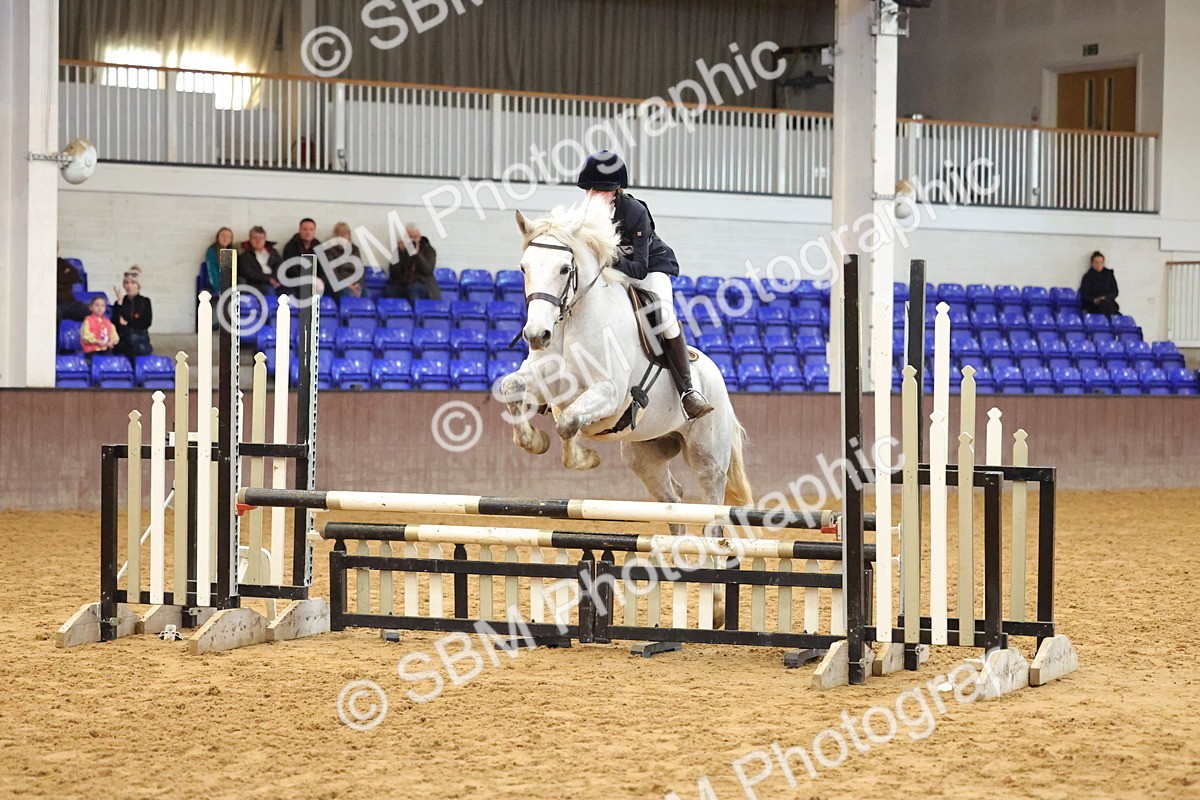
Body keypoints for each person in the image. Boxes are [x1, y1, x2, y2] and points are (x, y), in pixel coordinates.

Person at [577, 150, 713, 420]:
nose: (592, 195)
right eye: (589, 189)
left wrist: (607, 256)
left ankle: (688, 391)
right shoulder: (583, 215)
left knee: (662, 315)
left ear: (616, 190)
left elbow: (639, 270)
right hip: (616, 270)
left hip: (651, 268)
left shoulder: (635, 212)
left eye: (600, 190)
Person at [385, 224, 440, 302]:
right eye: (410, 238)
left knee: (413, 288)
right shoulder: (401, 250)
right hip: (404, 283)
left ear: (419, 237)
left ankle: (416, 313)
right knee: (390, 290)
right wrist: (399, 252)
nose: (413, 241)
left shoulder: (429, 250)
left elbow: (428, 270)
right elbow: (393, 273)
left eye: (415, 237)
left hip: (424, 284)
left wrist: (417, 255)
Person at [112, 269, 153, 363]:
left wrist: (127, 323)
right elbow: (116, 324)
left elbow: (146, 322)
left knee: (137, 343)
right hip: (124, 339)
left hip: (140, 337)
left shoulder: (145, 301)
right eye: (126, 283)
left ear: (138, 286)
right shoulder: (119, 302)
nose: (129, 286)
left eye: (133, 283)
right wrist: (119, 304)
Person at [324, 221, 365, 301]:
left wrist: (358, 284)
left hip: (355, 282)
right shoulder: (329, 250)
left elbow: (360, 270)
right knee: (348, 295)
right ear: (335, 235)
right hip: (338, 284)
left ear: (349, 235)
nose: (343, 237)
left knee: (366, 295)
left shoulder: (355, 249)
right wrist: (349, 285)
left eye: (345, 234)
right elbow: (332, 272)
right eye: (340, 234)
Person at [237, 226, 283, 294]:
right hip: (256, 284)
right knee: (269, 291)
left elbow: (280, 266)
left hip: (275, 280)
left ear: (265, 239)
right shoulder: (245, 256)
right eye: (255, 238)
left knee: (290, 290)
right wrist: (269, 280)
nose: (258, 241)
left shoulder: (273, 252)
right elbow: (250, 273)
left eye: (261, 238)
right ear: (250, 239)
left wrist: (275, 279)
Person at [1079, 251, 1120, 316]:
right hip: (1093, 305)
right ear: (1092, 263)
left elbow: (1115, 292)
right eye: (1096, 262)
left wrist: (1105, 297)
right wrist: (1094, 300)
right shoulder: (1087, 277)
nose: (1098, 265)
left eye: (1101, 262)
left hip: (1108, 303)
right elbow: (1084, 295)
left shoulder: (1109, 274)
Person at [80, 294, 119, 360]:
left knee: (108, 360)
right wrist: (97, 341)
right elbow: (85, 336)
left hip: (105, 349)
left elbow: (114, 336)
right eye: (97, 305)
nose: (100, 308)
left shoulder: (108, 322)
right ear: (91, 307)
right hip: (91, 350)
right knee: (96, 359)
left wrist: (111, 342)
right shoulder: (88, 320)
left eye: (102, 306)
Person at [56, 252, 89, 323]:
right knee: (54, 314)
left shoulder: (61, 263)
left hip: (70, 302)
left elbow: (75, 275)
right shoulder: (43, 265)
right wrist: (64, 277)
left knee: (90, 311)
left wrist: (59, 280)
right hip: (56, 304)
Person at [204, 227, 235, 291]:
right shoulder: (212, 251)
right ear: (218, 237)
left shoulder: (232, 252)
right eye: (223, 235)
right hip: (216, 286)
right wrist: (218, 288)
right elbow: (212, 272)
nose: (225, 239)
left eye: (228, 237)